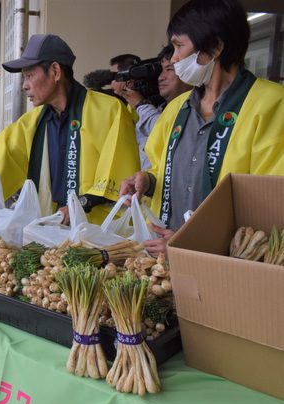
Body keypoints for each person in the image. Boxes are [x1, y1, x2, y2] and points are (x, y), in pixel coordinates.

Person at [0, 34, 139, 225]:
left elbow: (117, 176)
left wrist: (81, 205)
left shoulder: (110, 110)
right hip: (52, 226)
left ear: (56, 71)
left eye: (29, 75)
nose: (24, 85)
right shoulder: (34, 121)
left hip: (98, 231)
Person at [120, 0, 284, 256]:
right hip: (164, 261)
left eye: (178, 46)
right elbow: (162, 167)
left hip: (226, 267)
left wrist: (193, 241)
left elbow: (270, 202)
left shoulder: (273, 105)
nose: (173, 59)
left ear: (215, 47)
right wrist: (148, 181)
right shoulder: (177, 109)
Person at [117, 45, 192, 170]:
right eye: (160, 71)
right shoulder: (159, 108)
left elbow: (166, 133)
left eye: (169, 69)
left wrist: (142, 105)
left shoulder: (194, 107)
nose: (160, 77)